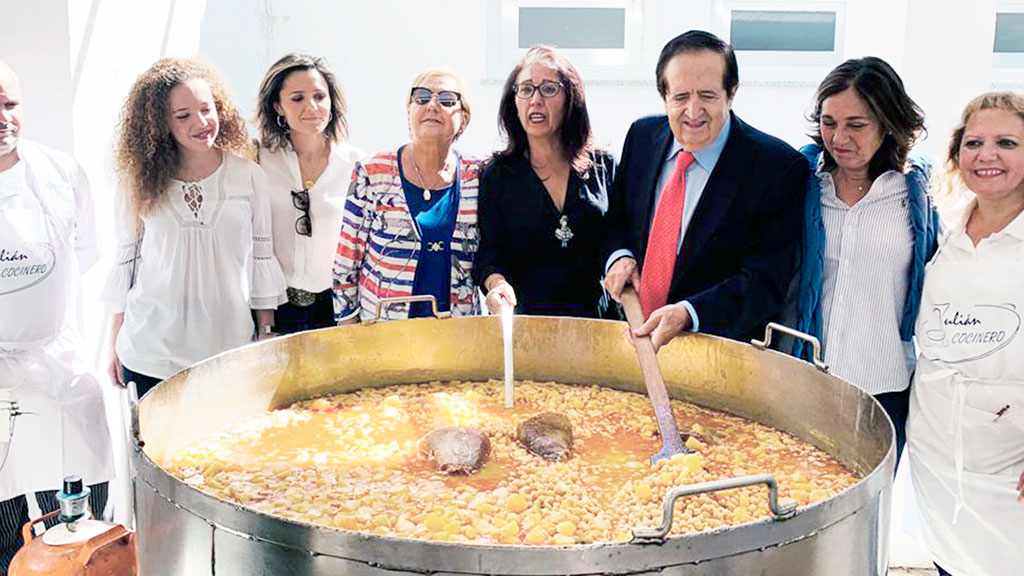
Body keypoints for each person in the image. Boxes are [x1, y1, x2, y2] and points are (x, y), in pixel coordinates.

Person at [603, 30, 808, 350]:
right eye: (681, 97)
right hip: (628, 343)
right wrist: (619, 256)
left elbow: (764, 282)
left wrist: (689, 312)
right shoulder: (641, 136)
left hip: (717, 355)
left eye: (708, 96)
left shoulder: (777, 167)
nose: (693, 111)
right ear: (664, 96)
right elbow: (615, 220)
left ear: (731, 92)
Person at [103, 57, 286, 397]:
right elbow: (125, 263)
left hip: (228, 351)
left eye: (207, 109)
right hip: (149, 354)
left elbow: (262, 256)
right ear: (160, 124)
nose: (202, 122)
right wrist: (113, 341)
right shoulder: (136, 183)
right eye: (183, 116)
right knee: (152, 451)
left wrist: (266, 331)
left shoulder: (248, 176)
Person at [788, 57, 936, 467]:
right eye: (829, 122)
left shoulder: (918, 195)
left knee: (865, 516)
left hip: (885, 390)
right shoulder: (801, 183)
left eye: (857, 124)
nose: (839, 137)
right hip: (805, 384)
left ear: (887, 122)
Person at [0, 59, 112, 573]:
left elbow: (85, 253)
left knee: (78, 527)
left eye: (9, 103)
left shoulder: (60, 173)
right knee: (7, 530)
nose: (3, 117)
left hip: (59, 372)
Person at [907, 91, 1024, 576]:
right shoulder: (940, 232)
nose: (987, 155)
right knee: (950, 563)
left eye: (1007, 142)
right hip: (934, 449)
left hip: (1010, 459)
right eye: (974, 142)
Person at [474, 45, 615, 318]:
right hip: (528, 331)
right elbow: (489, 254)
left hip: (600, 328)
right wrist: (496, 284)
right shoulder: (497, 174)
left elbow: (622, 239)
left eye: (549, 89)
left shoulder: (603, 166)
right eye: (525, 89)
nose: (535, 100)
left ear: (570, 98)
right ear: (514, 102)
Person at [333, 69, 480, 322]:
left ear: (463, 120)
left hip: (458, 333)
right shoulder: (373, 170)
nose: (432, 105)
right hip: (384, 331)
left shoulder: (477, 176)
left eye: (446, 100)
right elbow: (347, 257)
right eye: (421, 97)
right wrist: (349, 324)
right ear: (409, 111)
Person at [256, 53, 364, 334]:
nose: (312, 107)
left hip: (337, 310)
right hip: (275, 308)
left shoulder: (357, 165)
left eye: (319, 96)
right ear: (278, 106)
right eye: (297, 98)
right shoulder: (258, 160)